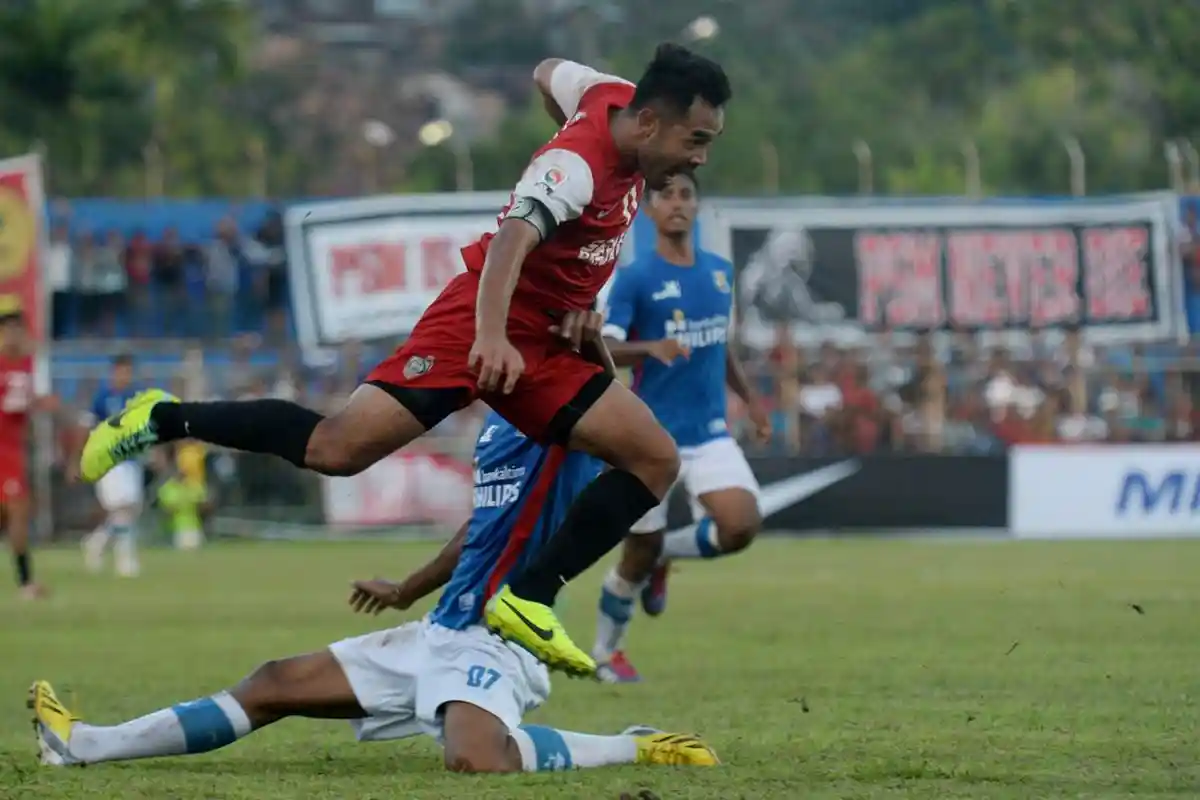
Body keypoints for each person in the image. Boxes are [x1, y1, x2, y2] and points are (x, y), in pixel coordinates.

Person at [78, 44, 733, 677]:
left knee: (653, 457)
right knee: (337, 450)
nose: (699, 159)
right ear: (648, 120)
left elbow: (544, 71)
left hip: (546, 341)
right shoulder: (577, 166)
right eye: (695, 140)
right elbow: (511, 240)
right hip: (481, 323)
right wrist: (490, 335)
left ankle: (528, 598)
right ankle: (163, 417)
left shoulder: (600, 94)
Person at [29, 410, 719, 773]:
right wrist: (407, 589)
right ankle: (84, 743)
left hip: (500, 638)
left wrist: (584, 333)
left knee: (477, 760)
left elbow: (603, 393)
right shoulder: (502, 427)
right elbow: (482, 532)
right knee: (273, 683)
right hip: (442, 630)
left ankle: (632, 747)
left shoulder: (568, 417)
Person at [593, 173, 771, 683]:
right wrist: (649, 348)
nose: (676, 203)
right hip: (650, 438)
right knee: (635, 551)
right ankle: (607, 653)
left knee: (740, 525)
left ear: (697, 207)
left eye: (685, 195)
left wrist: (752, 403)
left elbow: (720, 345)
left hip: (709, 430)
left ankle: (667, 555)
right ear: (648, 210)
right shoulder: (635, 278)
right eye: (665, 195)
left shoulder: (719, 273)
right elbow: (604, 346)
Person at [0, 295, 52, 599]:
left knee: (19, 513)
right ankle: (25, 583)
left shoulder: (29, 364)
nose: (12, 331)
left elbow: (31, 403)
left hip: (13, 450)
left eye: (16, 324)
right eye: (7, 325)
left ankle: (25, 582)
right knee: (16, 511)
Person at [79, 354, 146, 576]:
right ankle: (125, 560)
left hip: (131, 461)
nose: (124, 375)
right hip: (110, 461)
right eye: (121, 371)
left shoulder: (135, 398)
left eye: (128, 371)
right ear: (113, 372)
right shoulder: (102, 397)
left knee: (128, 510)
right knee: (122, 507)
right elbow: (88, 426)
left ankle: (96, 543)